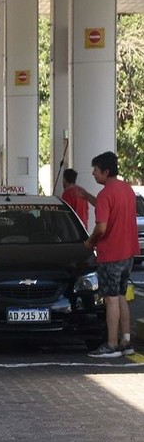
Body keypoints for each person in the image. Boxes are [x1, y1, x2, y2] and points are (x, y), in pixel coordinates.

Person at [83, 151, 140, 358]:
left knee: (111, 299)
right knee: (121, 296)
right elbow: (112, 209)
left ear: (106, 172)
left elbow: (101, 227)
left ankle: (111, 344)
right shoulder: (127, 189)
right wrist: (87, 196)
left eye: (96, 170)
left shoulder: (105, 194)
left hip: (111, 254)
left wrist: (90, 242)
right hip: (128, 253)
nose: (93, 174)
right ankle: (126, 340)